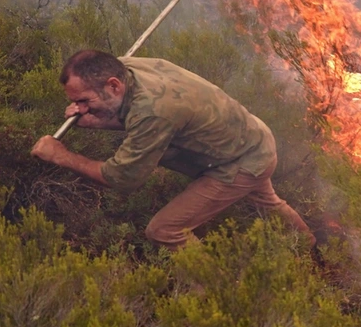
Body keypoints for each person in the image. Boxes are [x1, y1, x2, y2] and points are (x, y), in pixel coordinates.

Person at [30, 50, 314, 250]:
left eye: (83, 100)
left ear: (113, 85)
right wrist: (95, 117)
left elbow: (122, 177)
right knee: (267, 200)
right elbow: (139, 116)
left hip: (239, 163)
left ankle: (216, 297)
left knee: (164, 230)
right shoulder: (129, 68)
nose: (79, 108)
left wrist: (61, 155)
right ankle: (314, 250)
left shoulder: (154, 112)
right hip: (252, 138)